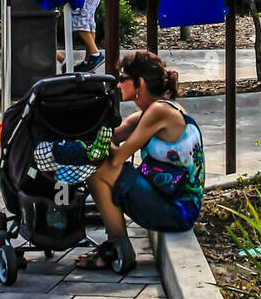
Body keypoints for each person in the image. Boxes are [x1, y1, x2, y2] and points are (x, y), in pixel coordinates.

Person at [76, 49, 205, 274]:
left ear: (140, 83)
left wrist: (99, 139)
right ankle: (115, 244)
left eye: (123, 79)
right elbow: (115, 133)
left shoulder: (159, 111)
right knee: (100, 164)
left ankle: (118, 247)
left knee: (98, 169)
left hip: (176, 211)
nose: (118, 85)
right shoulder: (154, 111)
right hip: (170, 203)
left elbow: (116, 157)